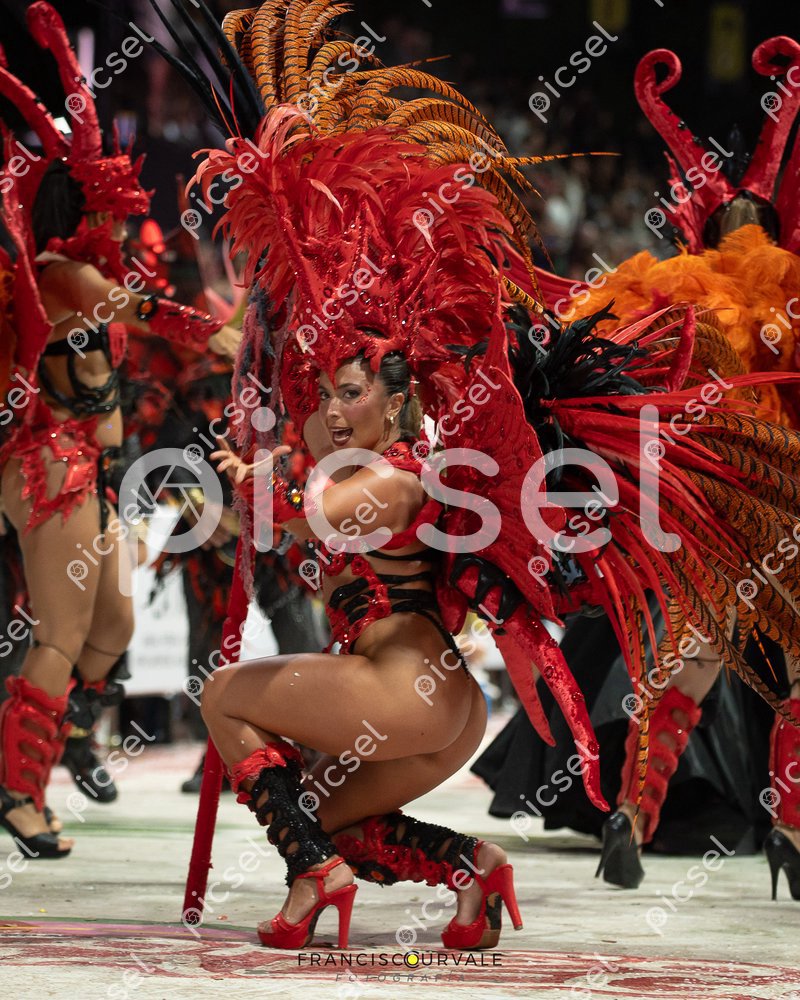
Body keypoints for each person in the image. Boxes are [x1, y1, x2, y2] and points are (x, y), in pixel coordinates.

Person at [158, 0, 800, 949]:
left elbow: (322, 514)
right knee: (328, 809)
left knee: (223, 696)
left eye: (350, 395)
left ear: (396, 403)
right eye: (327, 396)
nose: (333, 410)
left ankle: (311, 883)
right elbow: (291, 502)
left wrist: (269, 490)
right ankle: (472, 872)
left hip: (408, 689)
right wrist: (234, 492)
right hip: (418, 703)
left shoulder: (412, 474)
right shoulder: (370, 456)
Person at [0, 1, 240, 859]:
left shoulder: (88, 273)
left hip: (94, 473)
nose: (119, 225)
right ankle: (19, 795)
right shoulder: (64, 275)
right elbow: (140, 309)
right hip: (47, 465)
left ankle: (58, 735)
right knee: (63, 635)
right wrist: (214, 330)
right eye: (106, 212)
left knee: (111, 634)